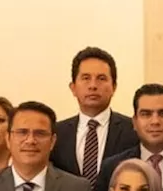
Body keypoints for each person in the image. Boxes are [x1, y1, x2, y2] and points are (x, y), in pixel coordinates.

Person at [51, 47, 139, 181]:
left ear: (114, 87)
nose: (93, 85)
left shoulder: (133, 130)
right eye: (86, 78)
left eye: (101, 78)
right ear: (73, 87)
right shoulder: (56, 133)